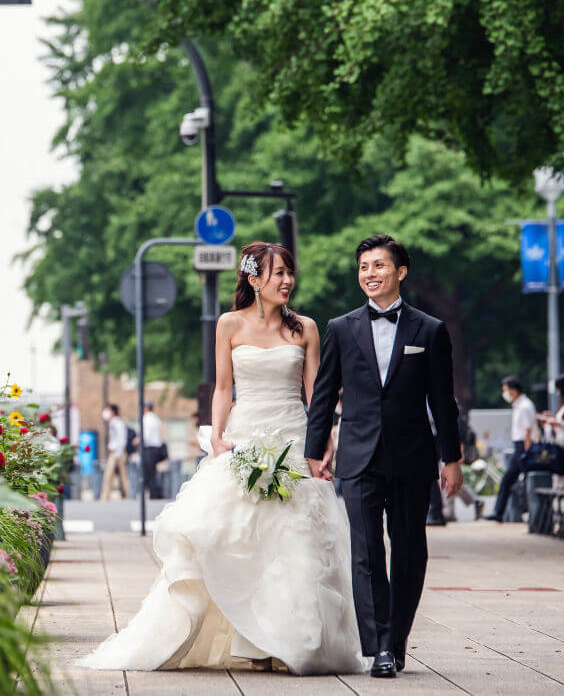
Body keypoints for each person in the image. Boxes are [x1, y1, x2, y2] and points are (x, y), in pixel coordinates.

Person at [78, 242, 365, 675]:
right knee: (235, 538)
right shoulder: (229, 324)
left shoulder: (304, 328)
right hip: (244, 436)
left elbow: (315, 393)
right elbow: (223, 388)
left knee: (296, 540)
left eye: (290, 272)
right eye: (277, 273)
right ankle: (249, 640)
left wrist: (323, 443)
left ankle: (290, 642)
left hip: (293, 434)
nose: (287, 280)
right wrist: (216, 437)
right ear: (254, 280)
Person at [305, 235, 463, 679]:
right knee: (366, 551)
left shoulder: (429, 330)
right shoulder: (341, 327)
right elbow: (322, 397)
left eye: (378, 266)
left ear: (401, 272)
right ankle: (380, 649)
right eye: (363, 267)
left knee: (411, 551)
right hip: (358, 458)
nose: (370, 274)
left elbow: (443, 400)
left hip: (413, 458)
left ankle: (396, 639)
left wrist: (451, 458)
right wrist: (314, 452)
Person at [489, 376, 537, 522]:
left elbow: (528, 430)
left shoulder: (525, 406)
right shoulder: (519, 405)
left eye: (505, 390)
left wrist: (527, 452)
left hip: (523, 446)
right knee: (511, 480)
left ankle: (499, 512)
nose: (504, 394)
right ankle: (499, 512)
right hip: (520, 446)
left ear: (514, 390)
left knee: (509, 480)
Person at [99, 404, 130, 500]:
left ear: (113, 412)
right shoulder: (112, 423)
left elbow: (122, 438)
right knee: (109, 476)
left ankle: (127, 495)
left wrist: (118, 452)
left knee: (121, 476)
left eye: (108, 410)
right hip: (115, 452)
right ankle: (105, 497)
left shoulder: (117, 423)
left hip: (118, 452)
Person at [141, 402, 168, 500]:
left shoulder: (146, 418)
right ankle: (156, 493)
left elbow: (146, 435)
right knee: (153, 473)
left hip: (150, 448)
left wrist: (139, 441)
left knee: (150, 473)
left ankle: (155, 494)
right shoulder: (156, 418)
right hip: (157, 448)